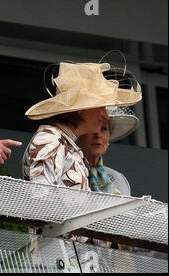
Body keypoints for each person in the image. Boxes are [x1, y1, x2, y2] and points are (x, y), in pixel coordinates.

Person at [22, 61, 142, 191]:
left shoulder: (66, 145)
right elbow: (39, 201)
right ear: (80, 109)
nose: (105, 116)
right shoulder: (49, 139)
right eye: (100, 107)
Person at [78, 106, 139, 196]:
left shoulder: (118, 178)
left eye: (104, 129)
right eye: (92, 127)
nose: (98, 135)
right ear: (79, 134)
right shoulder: (67, 171)